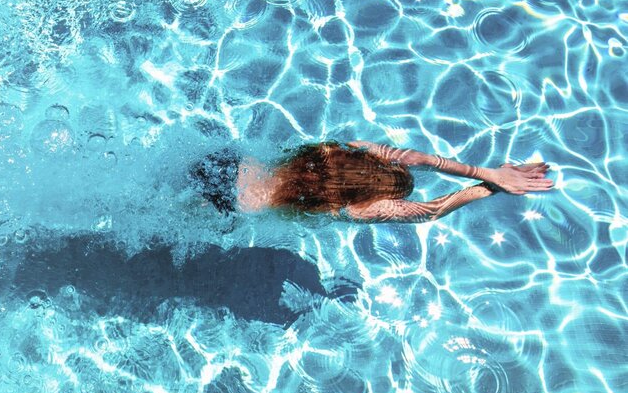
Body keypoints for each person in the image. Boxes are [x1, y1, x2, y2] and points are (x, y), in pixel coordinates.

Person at [189, 141, 553, 222]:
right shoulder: (358, 207)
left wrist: (487, 170)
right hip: (236, 205)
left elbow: (416, 159)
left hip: (235, 166)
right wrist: (487, 186)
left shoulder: (347, 151)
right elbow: (430, 211)